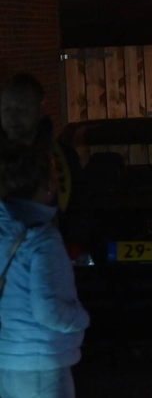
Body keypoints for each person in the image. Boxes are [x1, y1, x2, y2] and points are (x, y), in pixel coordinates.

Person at [0, 145, 89, 398]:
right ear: (47, 187)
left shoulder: (4, 231)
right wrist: (82, 318)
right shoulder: (43, 239)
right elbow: (49, 310)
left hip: (8, 361)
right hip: (42, 363)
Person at [1, 75, 71, 212]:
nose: (13, 117)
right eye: (7, 109)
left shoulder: (63, 158)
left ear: (41, 110)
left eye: (22, 109)